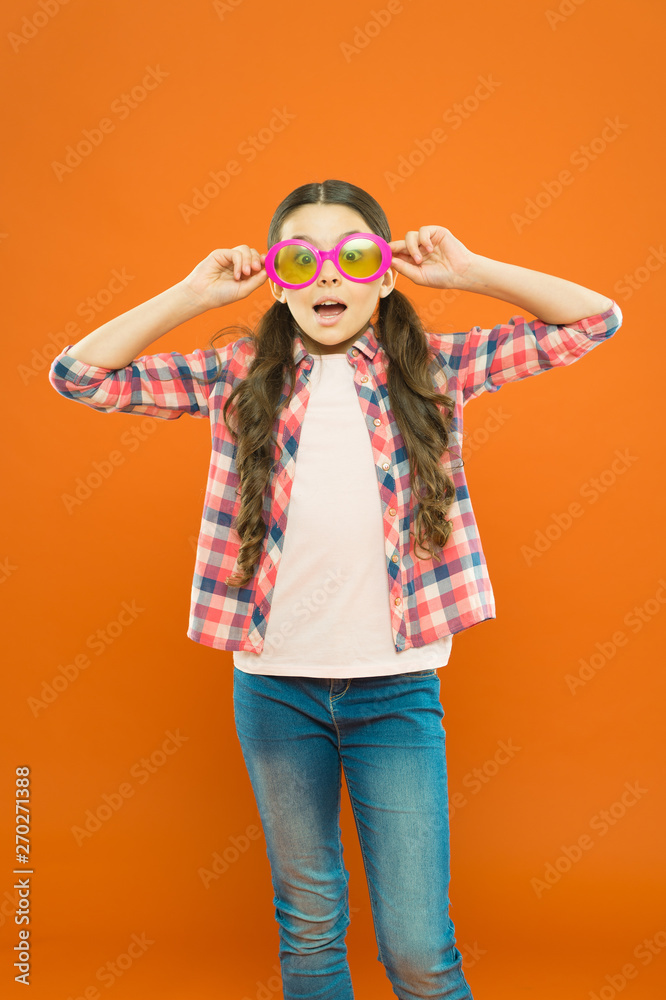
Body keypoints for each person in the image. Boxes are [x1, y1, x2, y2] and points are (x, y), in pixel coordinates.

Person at [48, 179, 623, 1000]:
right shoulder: (234, 377)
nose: (328, 277)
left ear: (384, 273)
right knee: (311, 926)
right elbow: (78, 376)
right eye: (301, 258)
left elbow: (595, 321)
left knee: (421, 949)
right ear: (277, 280)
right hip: (276, 690)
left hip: (395, 691)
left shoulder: (433, 370)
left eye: (353, 255)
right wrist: (192, 293)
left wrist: (470, 270)